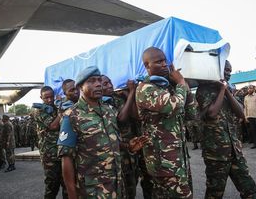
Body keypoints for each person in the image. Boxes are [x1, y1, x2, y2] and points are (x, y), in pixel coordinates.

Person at [59, 66, 147, 198]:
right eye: (92, 81)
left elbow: (112, 140)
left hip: (116, 186)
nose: (98, 84)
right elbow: (66, 158)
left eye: (99, 80)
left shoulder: (109, 110)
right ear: (80, 87)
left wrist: (128, 146)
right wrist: (72, 194)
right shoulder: (71, 116)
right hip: (93, 190)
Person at [135, 47, 197, 199]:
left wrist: (184, 87)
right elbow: (172, 105)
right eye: (158, 62)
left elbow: (191, 114)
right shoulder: (145, 88)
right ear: (147, 65)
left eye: (165, 61)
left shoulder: (169, 87)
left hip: (178, 158)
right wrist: (181, 83)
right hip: (162, 162)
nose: (164, 64)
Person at [196, 60, 256, 199]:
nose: (228, 73)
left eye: (230, 71)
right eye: (226, 70)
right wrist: (222, 90)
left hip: (234, 150)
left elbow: (241, 113)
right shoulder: (204, 90)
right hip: (216, 153)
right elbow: (211, 114)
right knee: (215, 192)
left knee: (249, 188)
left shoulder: (227, 90)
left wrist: (227, 91)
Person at [34, 86, 67, 199]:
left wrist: (60, 105)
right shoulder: (39, 111)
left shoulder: (57, 106)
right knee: (52, 185)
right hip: (49, 154)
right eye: (46, 98)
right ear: (41, 98)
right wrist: (61, 112)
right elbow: (53, 126)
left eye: (51, 97)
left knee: (66, 184)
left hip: (62, 151)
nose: (49, 100)